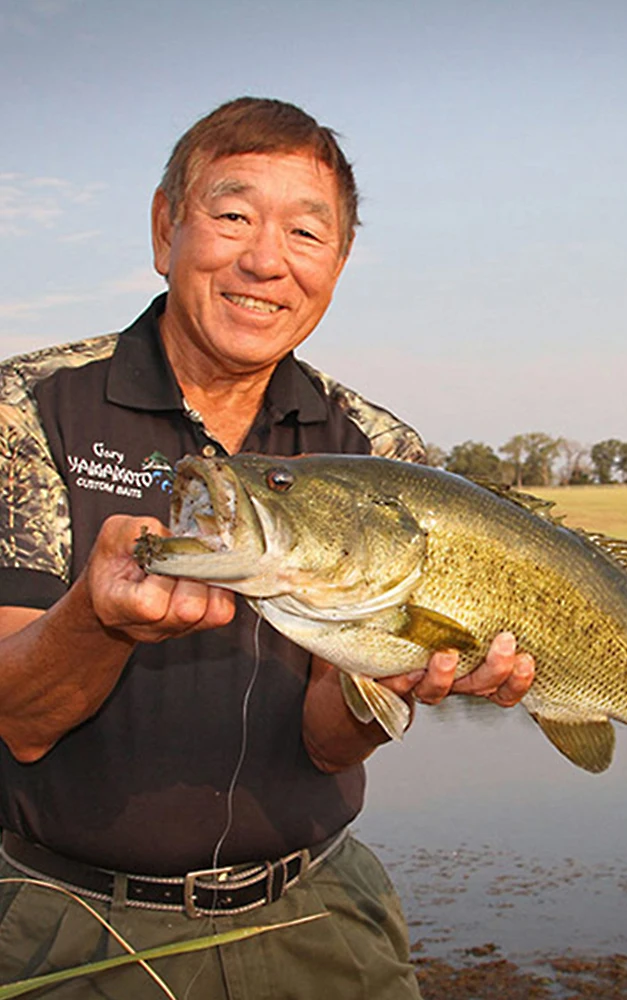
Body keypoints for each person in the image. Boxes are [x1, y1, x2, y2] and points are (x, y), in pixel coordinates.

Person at [0, 98, 534, 999]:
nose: (265, 260)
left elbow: (328, 746)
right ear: (166, 227)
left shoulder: (380, 450)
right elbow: (20, 719)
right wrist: (97, 619)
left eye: (306, 233)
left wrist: (393, 680)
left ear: (338, 263)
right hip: (68, 925)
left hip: (318, 913)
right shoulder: (26, 408)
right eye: (234, 216)